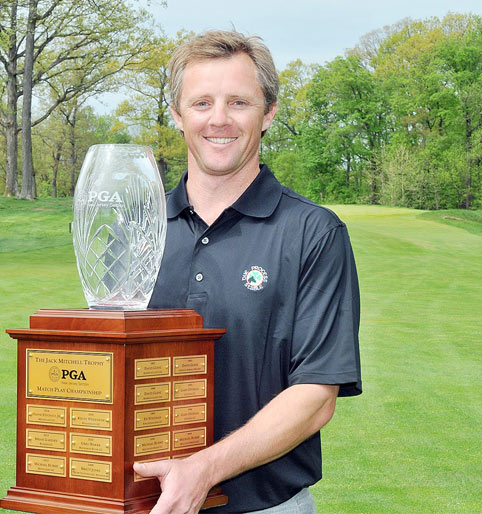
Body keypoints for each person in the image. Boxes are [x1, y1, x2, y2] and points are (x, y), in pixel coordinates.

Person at [137, 30, 362, 514]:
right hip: (142, 505)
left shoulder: (312, 232)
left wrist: (204, 470)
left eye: (239, 102)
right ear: (178, 115)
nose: (219, 119)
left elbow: (316, 395)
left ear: (269, 112)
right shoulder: (137, 232)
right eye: (201, 103)